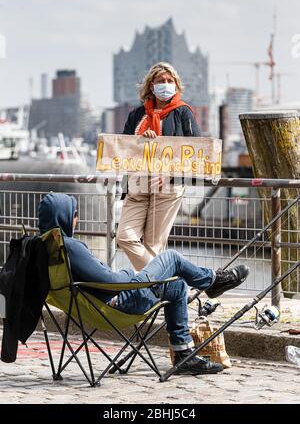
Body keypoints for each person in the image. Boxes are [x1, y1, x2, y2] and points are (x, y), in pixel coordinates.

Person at [38, 192, 249, 376]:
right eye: (75, 215)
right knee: (171, 258)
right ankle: (214, 281)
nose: (77, 220)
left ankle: (184, 353)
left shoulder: (46, 248)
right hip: (121, 302)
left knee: (177, 287)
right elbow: (109, 280)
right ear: (63, 216)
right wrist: (130, 274)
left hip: (96, 309)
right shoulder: (71, 248)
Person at [116, 62, 201, 271]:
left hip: (167, 186)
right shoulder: (137, 115)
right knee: (125, 237)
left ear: (176, 85)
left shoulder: (183, 113)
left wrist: (172, 176)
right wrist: (141, 140)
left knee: (153, 247)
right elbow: (125, 149)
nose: (165, 85)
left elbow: (196, 153)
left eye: (169, 81)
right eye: (161, 81)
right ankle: (167, 279)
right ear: (151, 86)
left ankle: (152, 296)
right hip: (137, 184)